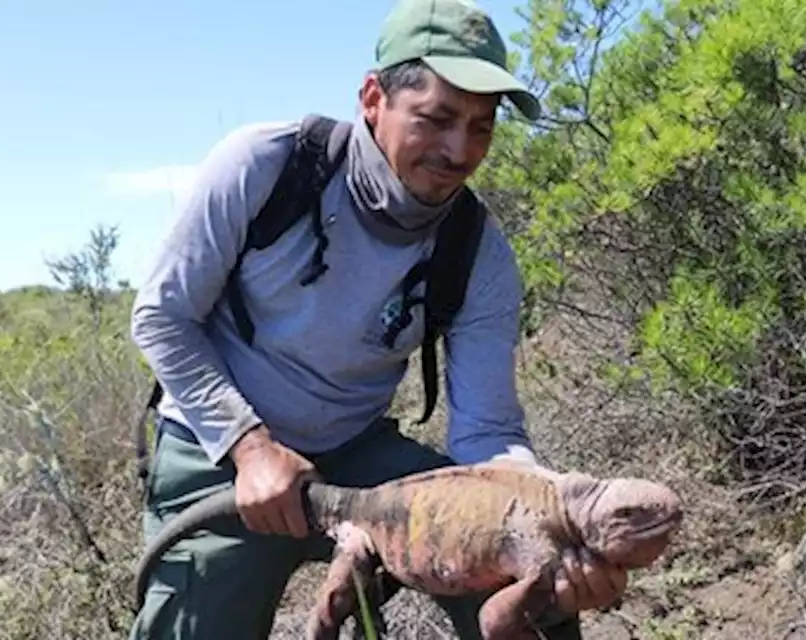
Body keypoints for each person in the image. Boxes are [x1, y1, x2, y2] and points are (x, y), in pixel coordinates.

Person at [127, 0, 628, 637]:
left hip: (356, 454)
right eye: (437, 118)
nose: (459, 149)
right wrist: (250, 448)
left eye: (481, 126)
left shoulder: (478, 251)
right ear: (373, 98)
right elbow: (162, 317)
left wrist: (551, 512)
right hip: (218, 447)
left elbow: (488, 430)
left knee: (540, 593)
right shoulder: (266, 165)